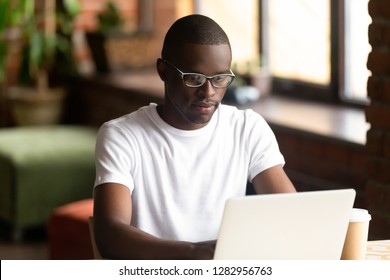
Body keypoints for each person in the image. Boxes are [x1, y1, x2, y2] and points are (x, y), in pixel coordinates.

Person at [93, 14, 296, 260]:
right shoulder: (123, 136)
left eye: (220, 78)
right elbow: (110, 235)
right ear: (163, 71)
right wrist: (195, 252)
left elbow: (290, 215)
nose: (208, 92)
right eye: (194, 78)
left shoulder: (246, 128)